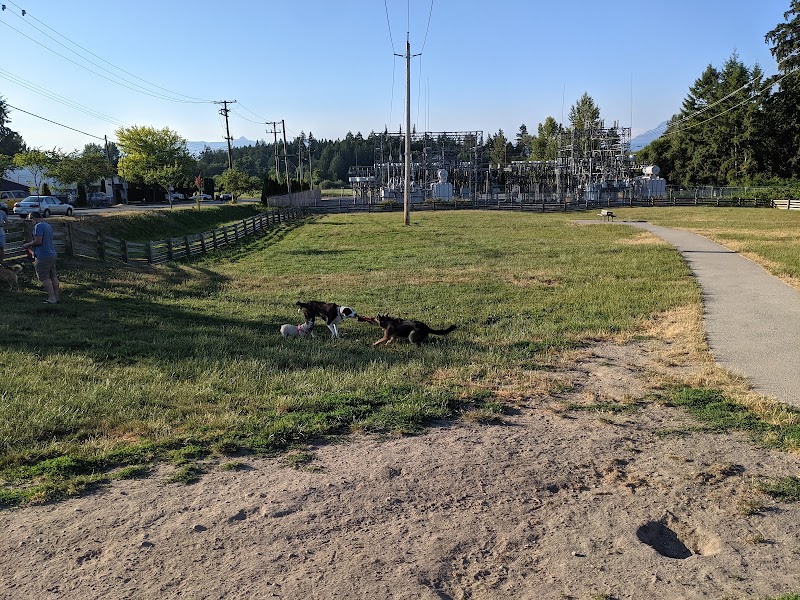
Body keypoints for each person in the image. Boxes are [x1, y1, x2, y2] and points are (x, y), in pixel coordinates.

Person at [22, 211, 59, 304]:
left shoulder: (38, 226)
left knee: (44, 278)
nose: (31, 222)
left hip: (43, 255)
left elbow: (38, 241)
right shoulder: (47, 225)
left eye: (31, 220)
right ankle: (56, 297)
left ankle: (51, 298)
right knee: (53, 276)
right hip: (52, 253)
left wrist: (27, 245)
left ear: (33, 218)